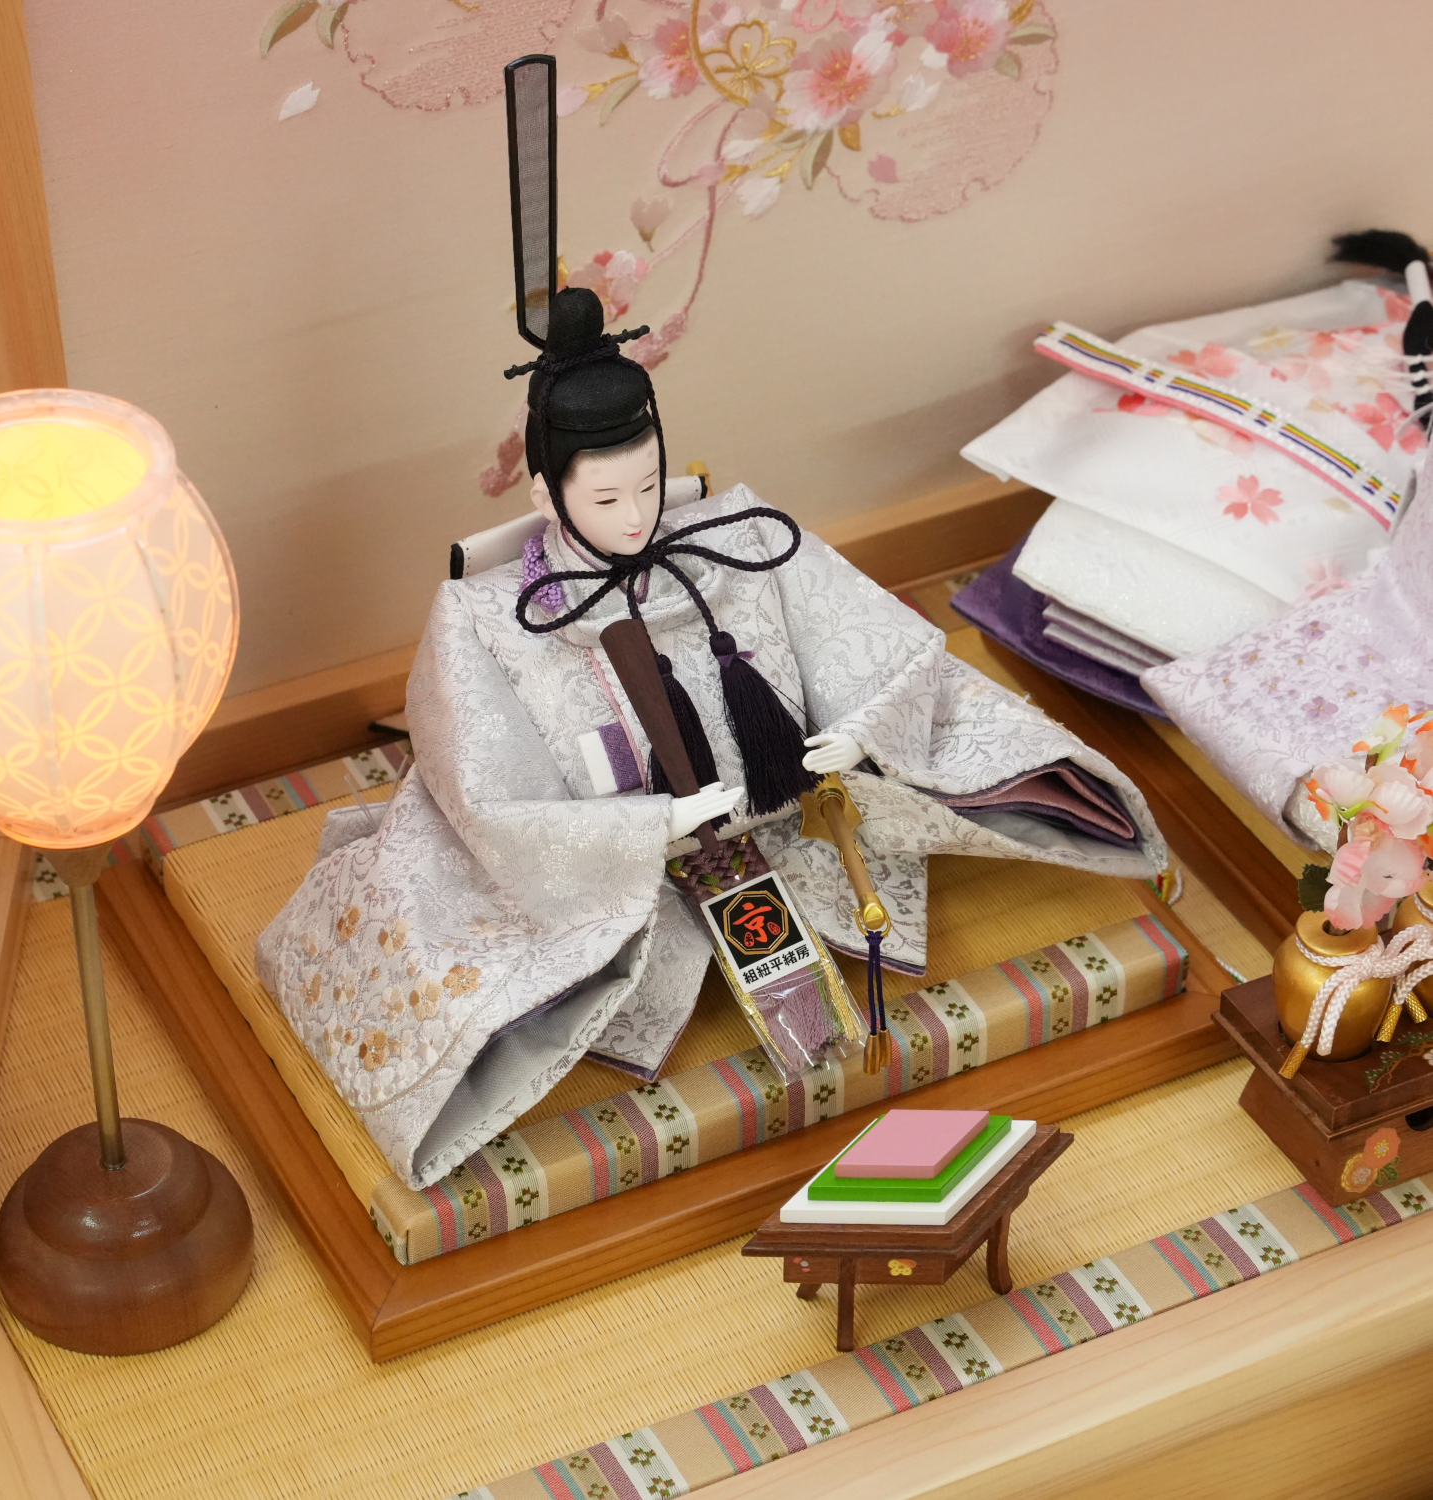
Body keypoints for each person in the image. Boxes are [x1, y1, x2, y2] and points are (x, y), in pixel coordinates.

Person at [255, 285, 1165, 1192]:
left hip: (794, 814)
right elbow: (483, 787)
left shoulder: (736, 536)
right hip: (620, 865)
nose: (635, 516)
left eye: (649, 486)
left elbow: (874, 639)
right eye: (605, 496)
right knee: (439, 948)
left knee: (972, 745)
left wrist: (857, 731)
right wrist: (651, 825)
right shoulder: (487, 617)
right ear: (545, 492)